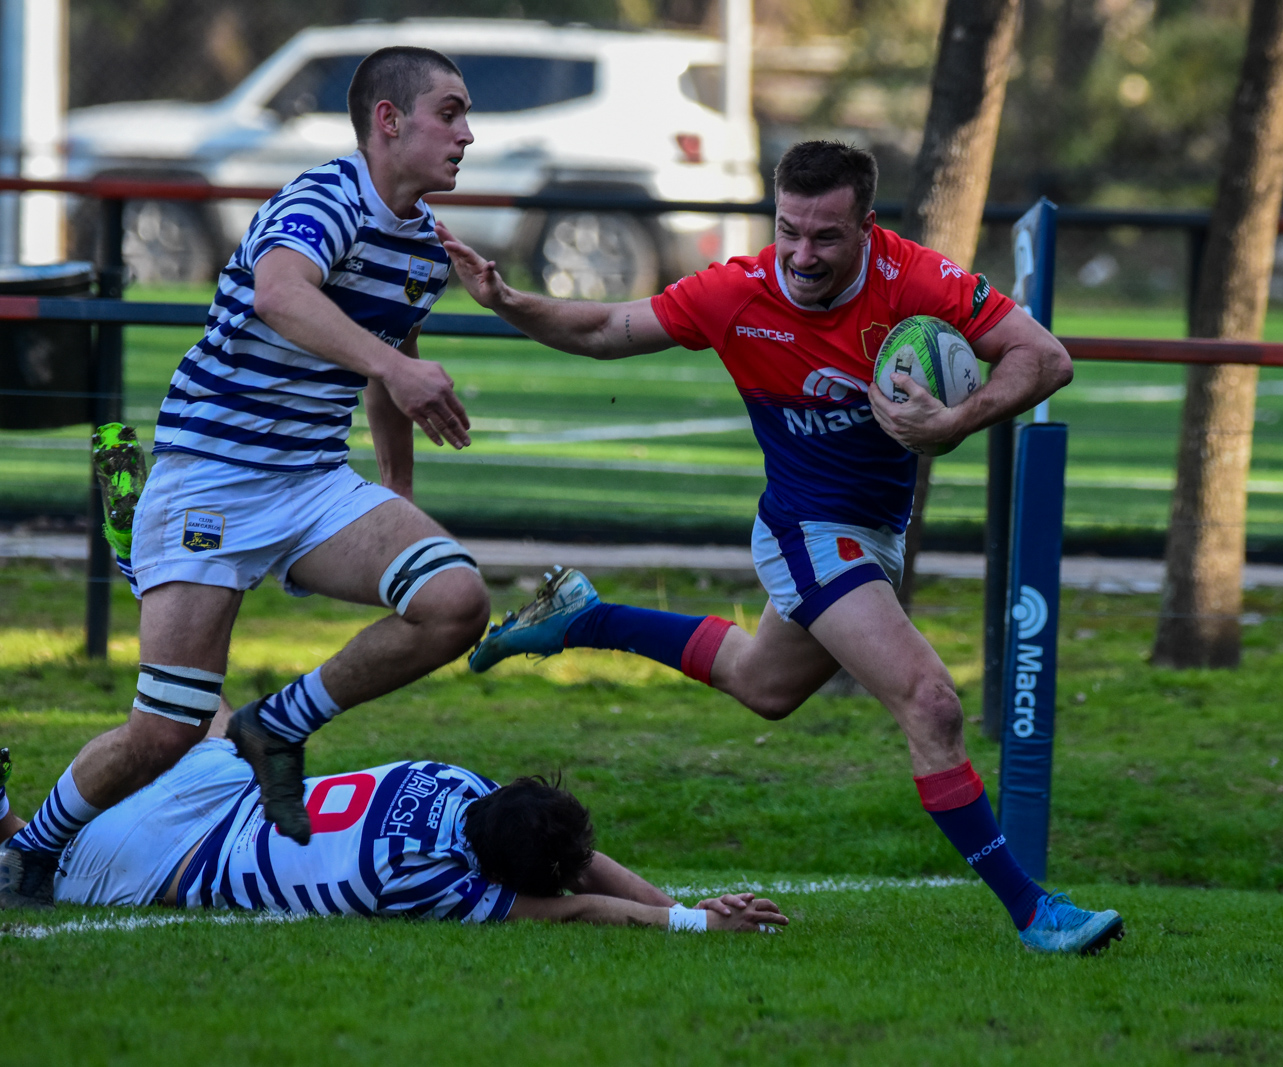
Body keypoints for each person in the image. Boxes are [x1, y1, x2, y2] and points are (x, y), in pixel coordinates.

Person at [440, 141, 1122, 955]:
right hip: (807, 529)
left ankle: (583, 617)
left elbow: (1046, 356)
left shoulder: (918, 282)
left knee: (763, 684)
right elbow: (606, 329)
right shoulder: (737, 291)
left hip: (873, 532)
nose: (801, 254)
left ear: (867, 226)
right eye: (788, 229)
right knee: (931, 702)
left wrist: (953, 422)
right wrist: (506, 300)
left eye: (826, 236)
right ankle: (1034, 911)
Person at [0, 46, 492, 908]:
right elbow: (279, 295)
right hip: (209, 479)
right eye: (448, 113)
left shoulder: (422, 250)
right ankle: (29, 852)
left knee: (454, 600)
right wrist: (399, 370)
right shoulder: (323, 197)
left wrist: (396, 495)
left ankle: (279, 724)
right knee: (168, 729)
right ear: (388, 121)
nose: (467, 133)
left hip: (308, 482)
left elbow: (387, 370)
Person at [0, 715, 784, 932]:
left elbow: (579, 863)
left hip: (225, 776)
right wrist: (686, 923)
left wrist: (685, 902)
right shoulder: (426, 879)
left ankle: (159, 588)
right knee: (27, 867)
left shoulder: (459, 780)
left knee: (200, 706)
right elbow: (576, 898)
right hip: (174, 856)